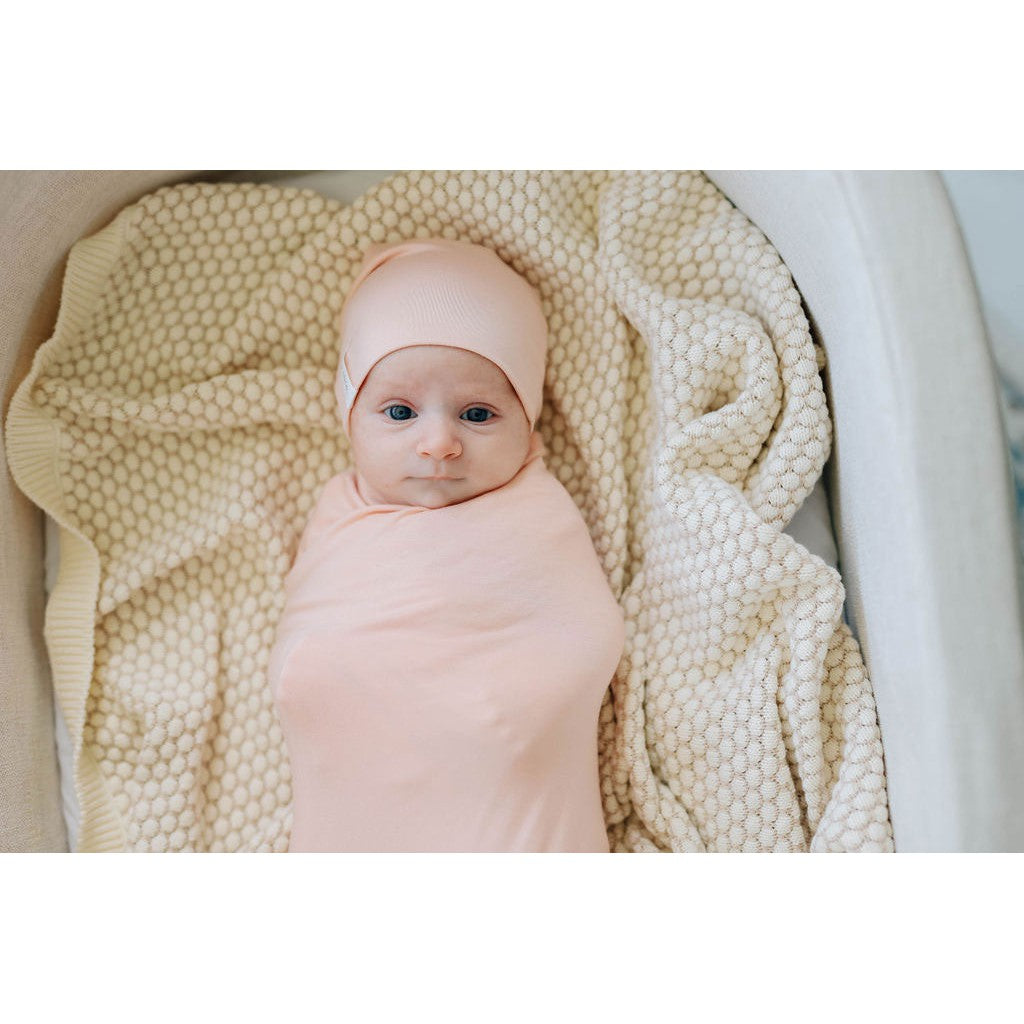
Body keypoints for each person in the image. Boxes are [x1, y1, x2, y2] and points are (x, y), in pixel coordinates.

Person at [269, 238, 625, 852]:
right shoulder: (339, 518)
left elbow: (582, 638)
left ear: (528, 421)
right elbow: (310, 652)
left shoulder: (536, 516)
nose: (438, 442)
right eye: (399, 412)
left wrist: (503, 704)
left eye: (478, 415)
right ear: (349, 415)